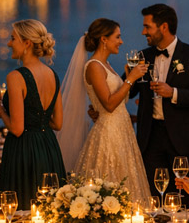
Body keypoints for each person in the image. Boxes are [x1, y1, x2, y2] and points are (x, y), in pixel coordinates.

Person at [58, 19, 150, 203]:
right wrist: (130, 79)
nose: (121, 41)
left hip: (122, 131)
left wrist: (127, 79)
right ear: (104, 39)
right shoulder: (94, 66)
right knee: (110, 182)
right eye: (117, 37)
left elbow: (120, 100)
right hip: (108, 132)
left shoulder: (106, 65)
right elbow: (108, 104)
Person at [131, 3, 189, 190]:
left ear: (164, 27)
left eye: (147, 27)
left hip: (185, 139)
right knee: (154, 194)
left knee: (186, 195)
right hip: (151, 137)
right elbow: (128, 91)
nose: (143, 32)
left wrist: (174, 93)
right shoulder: (142, 57)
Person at [0, 20, 66, 208]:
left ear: (27, 43)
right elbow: (58, 123)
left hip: (24, 151)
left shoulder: (15, 77)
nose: (9, 43)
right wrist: (38, 120)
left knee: (23, 206)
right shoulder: (53, 74)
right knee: (50, 209)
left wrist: (1, 112)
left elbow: (17, 129)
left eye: (13, 38)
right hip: (49, 148)